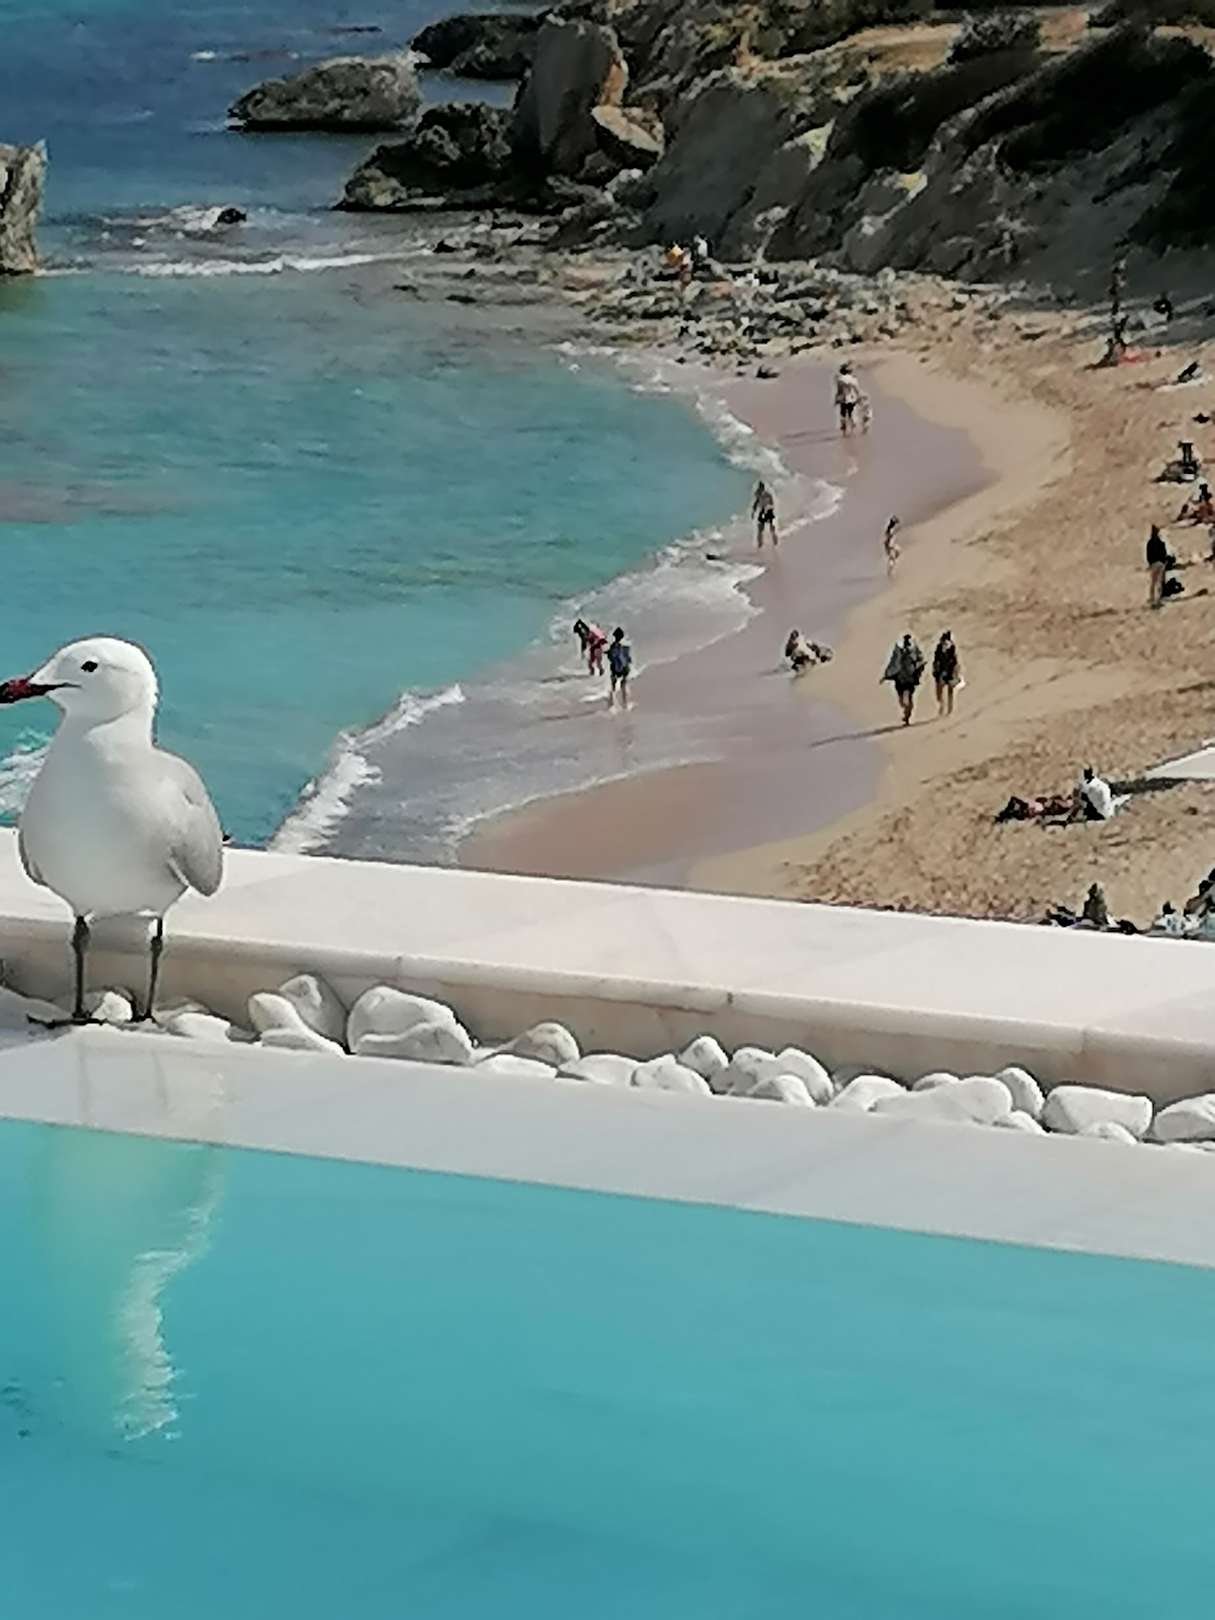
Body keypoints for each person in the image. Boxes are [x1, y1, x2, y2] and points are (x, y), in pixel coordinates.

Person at [881, 633, 925, 726]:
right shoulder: (899, 652)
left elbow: (921, 660)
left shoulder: (914, 651)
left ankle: (907, 716)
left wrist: (918, 667)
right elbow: (893, 663)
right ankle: (906, 712)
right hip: (900, 678)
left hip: (910, 678)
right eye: (906, 641)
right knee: (902, 700)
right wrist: (887, 675)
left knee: (909, 698)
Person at [932, 630, 961, 717]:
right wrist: (936, 671)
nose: (944, 643)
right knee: (938, 693)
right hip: (940, 673)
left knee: (950, 692)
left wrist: (955, 673)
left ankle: (950, 709)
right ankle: (942, 705)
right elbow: (936, 661)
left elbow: (955, 662)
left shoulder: (952, 649)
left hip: (950, 673)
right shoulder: (938, 648)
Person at [607, 626, 632, 708]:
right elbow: (629, 659)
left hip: (615, 668)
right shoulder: (625, 647)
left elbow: (610, 657)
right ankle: (625, 703)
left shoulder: (612, 646)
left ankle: (611, 704)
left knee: (613, 686)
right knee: (623, 685)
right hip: (624, 668)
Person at [834, 363, 862, 433]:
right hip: (852, 398)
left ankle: (844, 426)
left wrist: (836, 399)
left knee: (843, 412)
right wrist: (859, 397)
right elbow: (856, 389)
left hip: (843, 398)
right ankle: (852, 427)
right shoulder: (853, 379)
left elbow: (839, 390)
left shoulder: (839, 379)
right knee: (851, 412)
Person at [1146, 522, 1169, 608]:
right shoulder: (1161, 543)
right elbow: (1164, 554)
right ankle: (1158, 600)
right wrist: (1164, 562)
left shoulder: (1150, 543)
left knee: (1153, 583)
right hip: (1160, 564)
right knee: (1159, 583)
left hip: (1153, 564)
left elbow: (1148, 555)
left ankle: (1152, 599)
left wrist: (1150, 563)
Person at [752, 480, 778, 548]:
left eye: (760, 488)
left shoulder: (766, 494)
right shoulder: (761, 494)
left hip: (768, 511)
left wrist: (753, 512)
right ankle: (761, 544)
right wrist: (753, 512)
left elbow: (771, 504)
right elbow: (756, 503)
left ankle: (774, 543)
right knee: (761, 529)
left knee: (770, 529)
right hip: (765, 511)